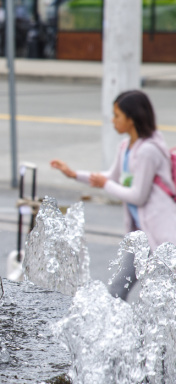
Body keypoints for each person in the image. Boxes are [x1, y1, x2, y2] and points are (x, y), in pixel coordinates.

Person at [51, 89, 176, 300]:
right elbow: (111, 176)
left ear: (132, 118)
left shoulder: (149, 151)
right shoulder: (126, 146)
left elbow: (138, 196)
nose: (113, 120)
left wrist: (106, 184)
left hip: (163, 236)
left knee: (166, 298)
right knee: (117, 291)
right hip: (142, 237)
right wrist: (74, 174)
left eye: (117, 115)